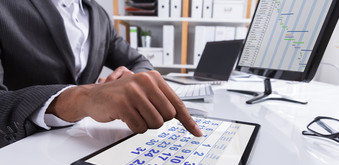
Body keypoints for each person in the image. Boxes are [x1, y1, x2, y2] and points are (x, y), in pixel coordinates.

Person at [0, 0, 202, 148]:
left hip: (86, 143)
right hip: (22, 150)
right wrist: (82, 98)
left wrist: (131, 82)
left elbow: (138, 61)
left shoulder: (98, 15)